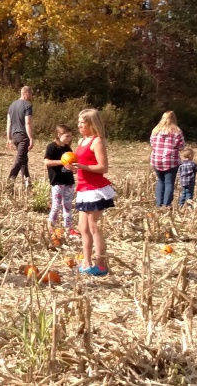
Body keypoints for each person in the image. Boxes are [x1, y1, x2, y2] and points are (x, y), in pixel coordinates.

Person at [67, 108, 115, 277]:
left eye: (83, 122)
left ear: (91, 124)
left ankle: (101, 265)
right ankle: (86, 263)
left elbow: (103, 167)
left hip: (95, 189)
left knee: (94, 227)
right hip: (83, 188)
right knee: (83, 228)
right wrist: (75, 168)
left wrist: (81, 167)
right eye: (79, 122)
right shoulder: (82, 141)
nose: (79, 125)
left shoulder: (97, 142)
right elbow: (82, 164)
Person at [43, 125, 77, 236]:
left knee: (67, 206)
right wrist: (61, 162)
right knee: (56, 205)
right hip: (57, 181)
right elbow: (47, 162)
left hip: (68, 181)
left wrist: (73, 169)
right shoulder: (52, 147)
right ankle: (50, 225)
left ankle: (68, 228)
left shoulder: (68, 149)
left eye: (71, 136)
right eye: (67, 136)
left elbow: (70, 164)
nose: (69, 139)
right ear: (59, 135)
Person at [149, 111, 186, 208]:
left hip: (156, 159)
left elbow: (152, 143)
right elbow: (181, 147)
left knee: (160, 181)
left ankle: (158, 204)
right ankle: (166, 204)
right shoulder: (177, 131)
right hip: (171, 160)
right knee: (169, 182)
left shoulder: (155, 130)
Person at [6, 86, 34, 186]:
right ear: (26, 93)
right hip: (23, 136)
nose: (31, 96)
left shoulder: (12, 105)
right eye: (31, 93)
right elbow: (28, 123)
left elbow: (9, 123)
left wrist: (9, 138)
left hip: (15, 136)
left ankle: (27, 182)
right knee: (20, 159)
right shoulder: (27, 105)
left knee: (23, 159)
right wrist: (31, 138)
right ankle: (10, 181)